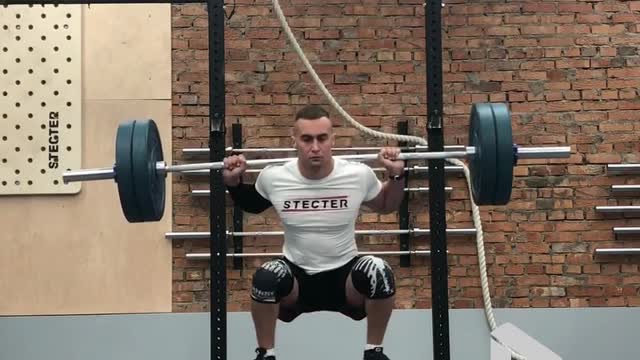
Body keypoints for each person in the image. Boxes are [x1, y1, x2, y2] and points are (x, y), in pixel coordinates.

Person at [222, 105, 406, 360]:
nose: (315, 147)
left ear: (333, 139)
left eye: (322, 138)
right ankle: (266, 354)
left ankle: (373, 352)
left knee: (379, 271)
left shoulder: (356, 174)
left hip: (345, 278)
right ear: (295, 140)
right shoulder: (274, 177)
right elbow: (252, 204)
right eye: (307, 139)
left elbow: (387, 206)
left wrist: (396, 177)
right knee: (266, 277)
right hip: (297, 279)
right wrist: (233, 182)